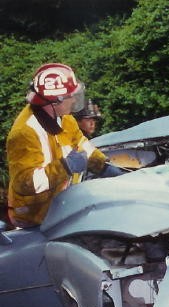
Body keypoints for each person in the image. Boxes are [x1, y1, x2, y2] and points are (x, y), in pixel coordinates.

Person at [6, 63, 118, 228]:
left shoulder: (65, 118)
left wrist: (103, 166)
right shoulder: (24, 133)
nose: (74, 100)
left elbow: (81, 144)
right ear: (54, 102)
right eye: (69, 96)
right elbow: (24, 183)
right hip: (34, 216)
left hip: (58, 204)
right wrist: (65, 166)